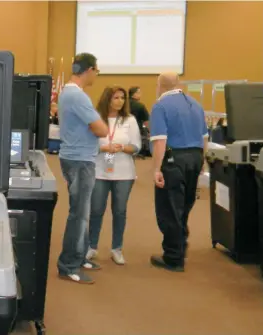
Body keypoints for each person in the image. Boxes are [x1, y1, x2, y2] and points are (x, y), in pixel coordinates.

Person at [56, 53, 109, 284]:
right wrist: (99, 126)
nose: (96, 75)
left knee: (81, 212)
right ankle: (69, 265)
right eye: (96, 70)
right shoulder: (77, 96)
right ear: (89, 70)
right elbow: (101, 130)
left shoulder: (69, 93)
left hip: (76, 158)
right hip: (79, 161)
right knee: (79, 214)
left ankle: (79, 257)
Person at [149, 72, 208, 272]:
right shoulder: (196, 105)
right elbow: (204, 137)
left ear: (160, 85)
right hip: (195, 157)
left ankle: (173, 257)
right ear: (178, 83)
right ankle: (180, 246)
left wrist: (156, 168)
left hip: (174, 160)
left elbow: (160, 141)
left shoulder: (160, 106)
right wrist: (203, 162)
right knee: (184, 205)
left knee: (169, 208)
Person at [86, 86, 141, 265]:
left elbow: (137, 146)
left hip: (124, 173)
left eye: (122, 98)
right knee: (96, 210)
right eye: (116, 98)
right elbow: (87, 145)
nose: (120, 101)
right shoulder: (96, 119)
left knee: (119, 211)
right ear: (107, 99)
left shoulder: (130, 120)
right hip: (99, 171)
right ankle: (91, 247)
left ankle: (116, 248)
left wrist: (123, 148)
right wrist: (104, 148)